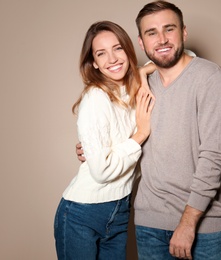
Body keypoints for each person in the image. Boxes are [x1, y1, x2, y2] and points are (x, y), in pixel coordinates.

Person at [77, 1, 221, 259]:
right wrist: (97, 150)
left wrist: (187, 223)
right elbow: (127, 133)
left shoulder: (210, 78)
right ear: (141, 43)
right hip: (150, 223)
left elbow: (216, 157)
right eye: (152, 33)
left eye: (169, 29)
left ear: (183, 32)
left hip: (203, 226)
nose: (161, 39)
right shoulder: (140, 85)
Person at [53, 20, 155, 260]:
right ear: (94, 64)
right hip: (82, 214)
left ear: (129, 51)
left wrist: (141, 71)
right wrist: (140, 135)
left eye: (118, 48)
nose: (112, 59)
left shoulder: (134, 87)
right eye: (101, 53)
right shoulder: (96, 98)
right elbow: (100, 171)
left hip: (120, 210)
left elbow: (186, 54)